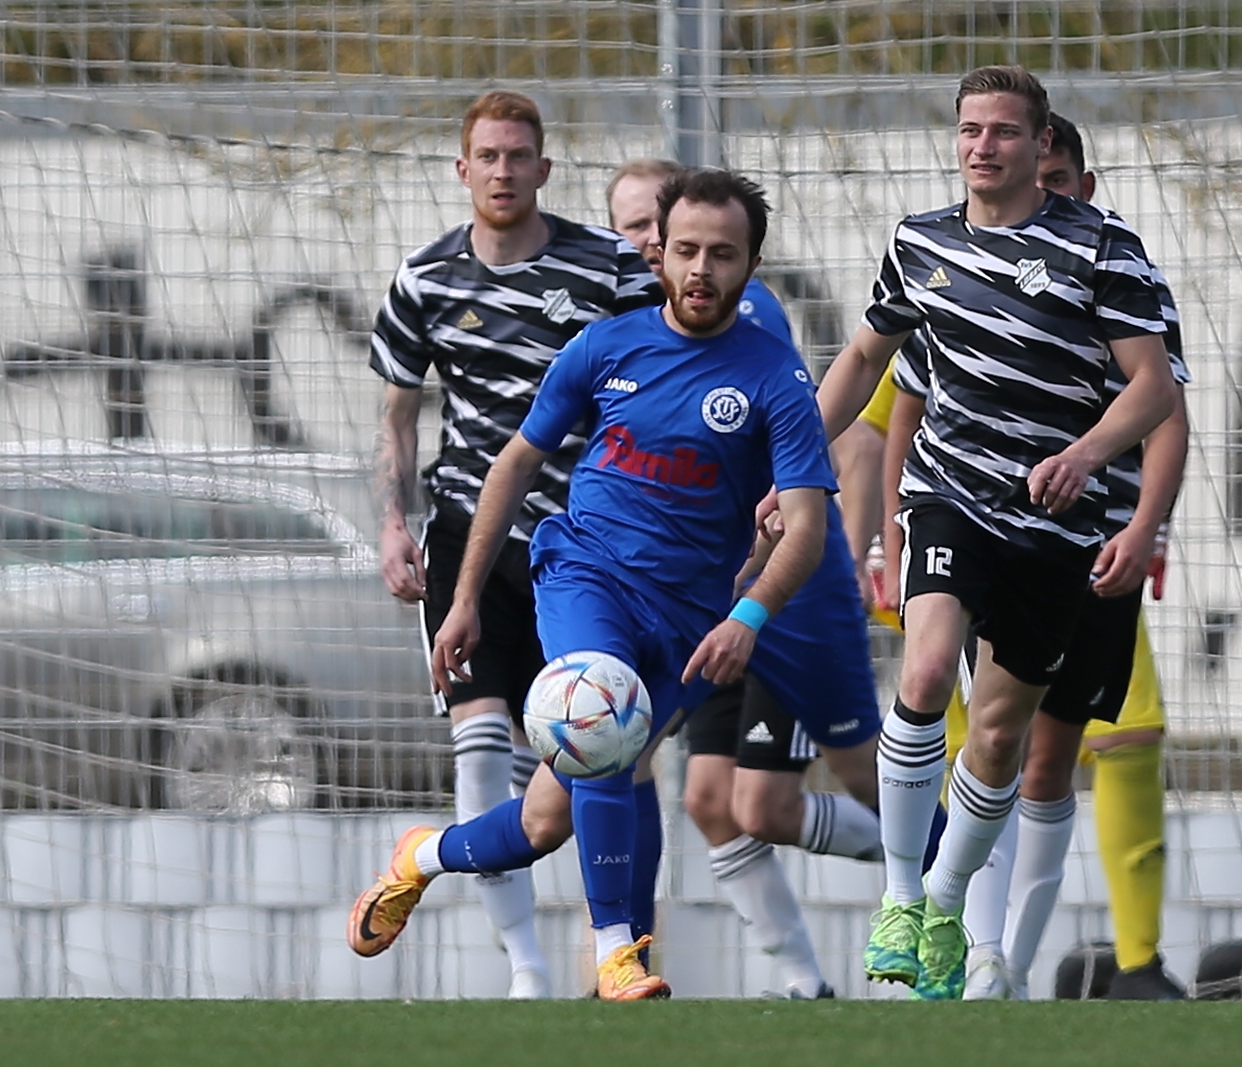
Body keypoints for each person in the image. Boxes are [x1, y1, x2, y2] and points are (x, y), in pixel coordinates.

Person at [350, 168, 836, 1002]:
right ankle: (616, 950)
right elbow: (511, 467)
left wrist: (750, 614)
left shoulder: (775, 377)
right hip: (584, 572)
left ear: (751, 264)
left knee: (542, 820)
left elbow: (808, 526)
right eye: (685, 249)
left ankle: (419, 857)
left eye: (723, 254)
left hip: (690, 619)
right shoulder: (606, 347)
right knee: (602, 713)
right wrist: (463, 597)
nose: (700, 269)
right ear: (659, 253)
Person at [808, 65, 1179, 1000]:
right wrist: (797, 461)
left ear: (1037, 140)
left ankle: (944, 898)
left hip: (1055, 523)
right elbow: (865, 359)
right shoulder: (919, 241)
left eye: (1004, 132)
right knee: (927, 673)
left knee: (1006, 742)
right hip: (949, 497)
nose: (983, 146)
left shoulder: (1106, 250)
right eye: (970, 129)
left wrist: (1090, 457)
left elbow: (1155, 388)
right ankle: (900, 900)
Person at [368, 90, 660, 999]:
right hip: (468, 536)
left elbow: (667, 371)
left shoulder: (608, 267)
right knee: (481, 741)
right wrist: (391, 522)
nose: (502, 170)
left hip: (586, 542)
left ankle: (612, 945)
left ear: (543, 167)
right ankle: (526, 971)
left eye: (517, 155)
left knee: (582, 755)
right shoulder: (424, 280)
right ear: (463, 170)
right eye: (486, 156)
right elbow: (397, 421)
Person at [608, 158, 885, 999]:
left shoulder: (739, 322)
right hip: (704, 600)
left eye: (651, 231)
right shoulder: (631, 326)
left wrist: (849, 555)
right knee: (703, 796)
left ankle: (948, 859)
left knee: (782, 800)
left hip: (778, 600)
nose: (645, 246)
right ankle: (798, 979)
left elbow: (856, 446)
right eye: (629, 231)